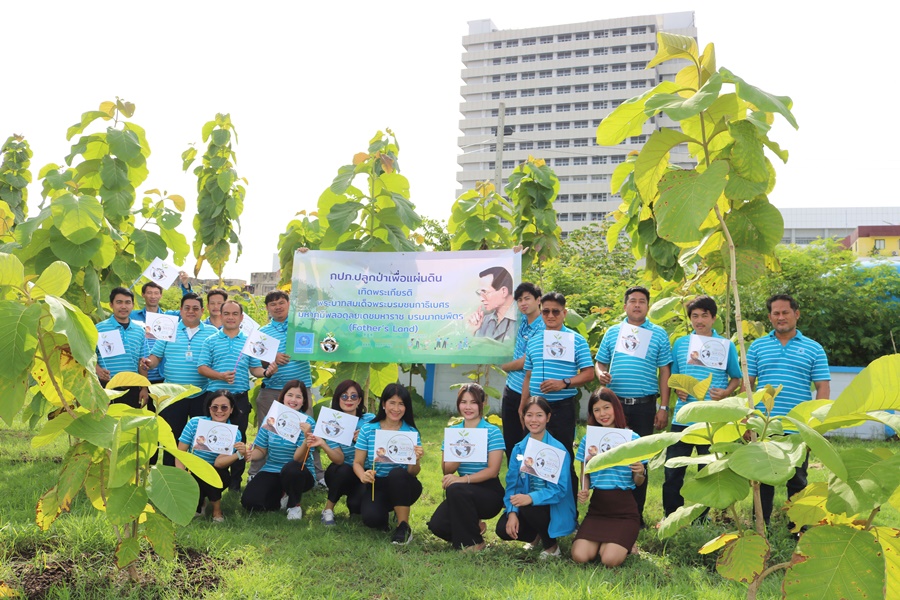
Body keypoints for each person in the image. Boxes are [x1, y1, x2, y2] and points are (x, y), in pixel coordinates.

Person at [746, 293, 830, 524]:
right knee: (762, 478)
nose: (780, 317)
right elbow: (748, 385)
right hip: (764, 425)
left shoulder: (814, 349)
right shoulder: (757, 347)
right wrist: (747, 419)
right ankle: (760, 526)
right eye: (776, 313)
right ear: (770, 316)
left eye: (785, 312)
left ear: (796, 314)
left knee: (798, 479)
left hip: (798, 426)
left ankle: (798, 526)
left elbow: (823, 386)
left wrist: (816, 424)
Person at [594, 286, 672, 526]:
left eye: (642, 301)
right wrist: (601, 375)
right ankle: (609, 512)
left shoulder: (658, 334)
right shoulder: (613, 332)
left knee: (639, 461)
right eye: (633, 301)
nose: (637, 305)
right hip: (614, 407)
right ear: (625, 305)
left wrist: (663, 407)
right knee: (611, 456)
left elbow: (665, 371)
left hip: (644, 406)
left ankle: (635, 516)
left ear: (648, 306)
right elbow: (600, 363)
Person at [663, 295, 742, 517]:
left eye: (704, 316)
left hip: (712, 419)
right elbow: (674, 375)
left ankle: (702, 517)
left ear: (714, 318)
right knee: (673, 469)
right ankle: (671, 514)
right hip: (683, 417)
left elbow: (736, 377)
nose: (699, 320)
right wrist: (678, 387)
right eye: (694, 316)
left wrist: (726, 392)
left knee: (707, 472)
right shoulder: (680, 343)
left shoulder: (726, 346)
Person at [198, 300, 274, 492]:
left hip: (239, 398)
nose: (230, 317)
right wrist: (220, 376)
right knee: (213, 438)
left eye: (234, 314)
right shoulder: (210, 340)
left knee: (238, 439)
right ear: (220, 316)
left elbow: (255, 369)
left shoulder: (250, 341)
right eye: (227, 314)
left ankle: (235, 481)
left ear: (241, 317)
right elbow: (202, 368)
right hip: (215, 399)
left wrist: (266, 373)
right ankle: (211, 477)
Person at [521, 292, 594, 493]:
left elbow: (589, 373)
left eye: (555, 311)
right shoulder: (534, 340)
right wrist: (522, 407)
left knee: (563, 457)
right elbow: (528, 375)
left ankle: (568, 511)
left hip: (562, 408)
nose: (550, 316)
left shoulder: (576, 340)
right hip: (535, 409)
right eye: (546, 312)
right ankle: (538, 505)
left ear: (565, 313)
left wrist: (564, 382)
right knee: (535, 458)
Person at [572, 389, 646, 567]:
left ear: (616, 408)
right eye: (596, 410)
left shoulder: (633, 439)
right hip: (598, 509)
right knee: (579, 556)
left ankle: (624, 543)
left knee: (609, 560)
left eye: (606, 407)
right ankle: (610, 543)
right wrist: (583, 489)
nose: (602, 414)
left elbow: (639, 482)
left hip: (624, 511)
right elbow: (585, 473)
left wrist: (640, 471)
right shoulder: (588, 440)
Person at [141, 293, 218, 466]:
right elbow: (156, 358)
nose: (191, 312)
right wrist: (148, 363)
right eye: (187, 308)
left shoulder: (212, 333)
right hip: (173, 396)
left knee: (202, 439)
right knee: (172, 438)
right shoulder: (169, 330)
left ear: (202, 311)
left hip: (202, 394)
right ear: (181, 310)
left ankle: (199, 476)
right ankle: (171, 472)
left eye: (195, 308)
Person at [496, 397, 577, 559]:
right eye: (529, 415)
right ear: (523, 417)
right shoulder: (519, 448)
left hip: (553, 506)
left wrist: (530, 498)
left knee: (529, 505)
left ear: (548, 417)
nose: (534, 420)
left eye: (539, 415)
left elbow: (560, 490)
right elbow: (512, 485)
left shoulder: (557, 450)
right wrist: (512, 513)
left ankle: (552, 547)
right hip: (527, 505)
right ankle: (536, 536)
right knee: (502, 529)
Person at [427, 383, 505, 551]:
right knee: (437, 525)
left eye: (473, 402)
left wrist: (462, 479)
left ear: (482, 404)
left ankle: (474, 543)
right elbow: (447, 470)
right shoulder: (453, 432)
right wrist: (460, 454)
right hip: (461, 491)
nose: (468, 407)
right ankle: (473, 528)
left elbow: (493, 471)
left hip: (488, 492)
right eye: (463, 402)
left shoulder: (492, 432)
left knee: (455, 488)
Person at [249, 290, 317, 481]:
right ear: (267, 308)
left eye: (281, 302)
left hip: (301, 391)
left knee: (307, 431)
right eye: (273, 304)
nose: (277, 307)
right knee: (267, 432)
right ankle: (256, 473)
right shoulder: (262, 333)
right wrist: (271, 357)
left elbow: (316, 347)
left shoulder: (301, 326)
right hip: (272, 390)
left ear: (288, 304)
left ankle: (315, 474)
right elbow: (256, 364)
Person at [353, 383, 424, 545]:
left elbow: (413, 473)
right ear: (383, 404)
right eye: (392, 402)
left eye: (401, 404)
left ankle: (403, 526)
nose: (396, 408)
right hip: (376, 484)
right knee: (372, 519)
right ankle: (386, 512)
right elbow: (357, 462)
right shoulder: (368, 429)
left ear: (406, 407)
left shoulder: (411, 433)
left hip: (403, 484)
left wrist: (417, 458)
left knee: (397, 474)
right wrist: (363, 475)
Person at [241, 381, 316, 520]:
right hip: (272, 469)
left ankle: (294, 505)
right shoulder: (271, 419)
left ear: (304, 401)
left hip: (299, 473)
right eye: (290, 395)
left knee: (291, 468)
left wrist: (306, 438)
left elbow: (298, 459)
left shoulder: (308, 423)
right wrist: (250, 454)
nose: (293, 400)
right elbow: (261, 451)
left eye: (298, 397)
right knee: (250, 502)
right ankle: (282, 495)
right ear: (283, 397)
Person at [306, 380, 375, 526]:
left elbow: (380, 448)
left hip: (365, 473)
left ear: (360, 400)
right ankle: (328, 510)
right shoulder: (331, 423)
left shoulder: (370, 420)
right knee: (342, 469)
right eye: (344, 396)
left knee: (357, 506)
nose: (349, 400)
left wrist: (363, 440)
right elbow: (339, 459)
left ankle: (357, 503)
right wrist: (323, 443)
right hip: (343, 473)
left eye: (353, 396)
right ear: (337, 399)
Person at [176, 390, 249, 523]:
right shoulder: (194, 423)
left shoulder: (234, 433)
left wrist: (239, 454)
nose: (219, 411)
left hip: (218, 473)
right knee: (199, 475)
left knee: (213, 473)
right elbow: (180, 453)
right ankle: (201, 502)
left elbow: (219, 463)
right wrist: (182, 476)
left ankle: (217, 510)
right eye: (214, 407)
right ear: (209, 408)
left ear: (232, 409)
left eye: (224, 407)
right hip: (194, 471)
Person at [499, 282, 544, 462]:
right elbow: (503, 296)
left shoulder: (543, 326)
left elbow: (529, 360)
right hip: (511, 389)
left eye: (527, 298)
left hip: (529, 394)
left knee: (528, 442)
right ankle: (514, 482)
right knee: (510, 442)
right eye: (520, 300)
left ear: (538, 300)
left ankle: (528, 484)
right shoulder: (523, 319)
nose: (523, 303)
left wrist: (505, 366)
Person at [131, 276, 189, 384]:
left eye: (156, 293)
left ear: (160, 295)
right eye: (149, 293)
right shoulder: (132, 316)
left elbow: (188, 308)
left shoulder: (169, 317)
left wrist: (185, 286)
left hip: (162, 375)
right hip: (138, 373)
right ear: (143, 295)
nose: (153, 296)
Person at [95, 287, 147, 409]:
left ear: (133, 305)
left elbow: (142, 361)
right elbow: (88, 356)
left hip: (132, 387)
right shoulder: (99, 329)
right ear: (111, 305)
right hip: (107, 387)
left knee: (130, 425)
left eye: (127, 302)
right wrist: (97, 369)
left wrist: (144, 388)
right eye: (119, 302)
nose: (123, 306)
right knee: (107, 425)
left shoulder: (139, 331)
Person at [468, 266, 517, 342]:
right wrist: (472, 331)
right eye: (480, 293)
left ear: (503, 291)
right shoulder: (483, 322)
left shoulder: (523, 319)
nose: (481, 299)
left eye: (485, 292)